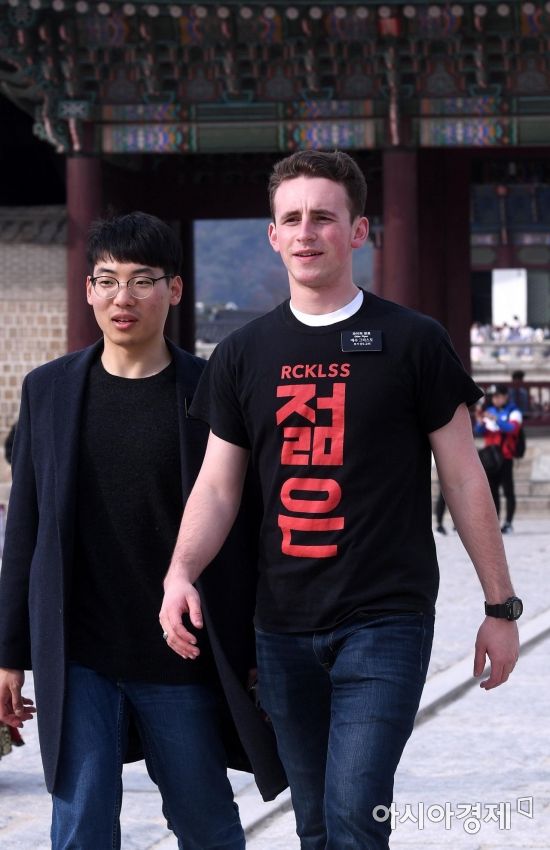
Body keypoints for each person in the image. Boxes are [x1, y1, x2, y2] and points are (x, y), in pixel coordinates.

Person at [160, 151, 521, 850]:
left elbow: (464, 477)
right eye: (291, 218)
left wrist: (500, 607)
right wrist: (180, 572)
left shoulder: (414, 342)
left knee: (356, 811)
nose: (307, 232)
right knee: (318, 824)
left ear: (358, 231)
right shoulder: (242, 354)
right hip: (282, 626)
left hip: (385, 618)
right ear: (272, 235)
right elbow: (218, 485)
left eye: (323, 217)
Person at [0, 211, 285, 850]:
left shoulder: (212, 390)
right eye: (107, 281)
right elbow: (26, 532)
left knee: (206, 824)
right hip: (79, 653)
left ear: (174, 289)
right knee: (80, 825)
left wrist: (257, 647)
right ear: (89, 291)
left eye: (141, 280)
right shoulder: (49, 391)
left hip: (179, 652)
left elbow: (251, 528)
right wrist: (8, 654)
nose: (122, 297)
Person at [474, 383, 523, 534]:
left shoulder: (514, 411)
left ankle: (508, 522)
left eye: (497, 396)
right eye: (493, 397)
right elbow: (479, 431)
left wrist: (496, 419)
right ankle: (495, 523)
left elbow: (512, 429)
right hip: (491, 459)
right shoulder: (489, 411)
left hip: (506, 457)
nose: (495, 399)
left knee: (508, 491)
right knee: (492, 492)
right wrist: (480, 421)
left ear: (505, 396)